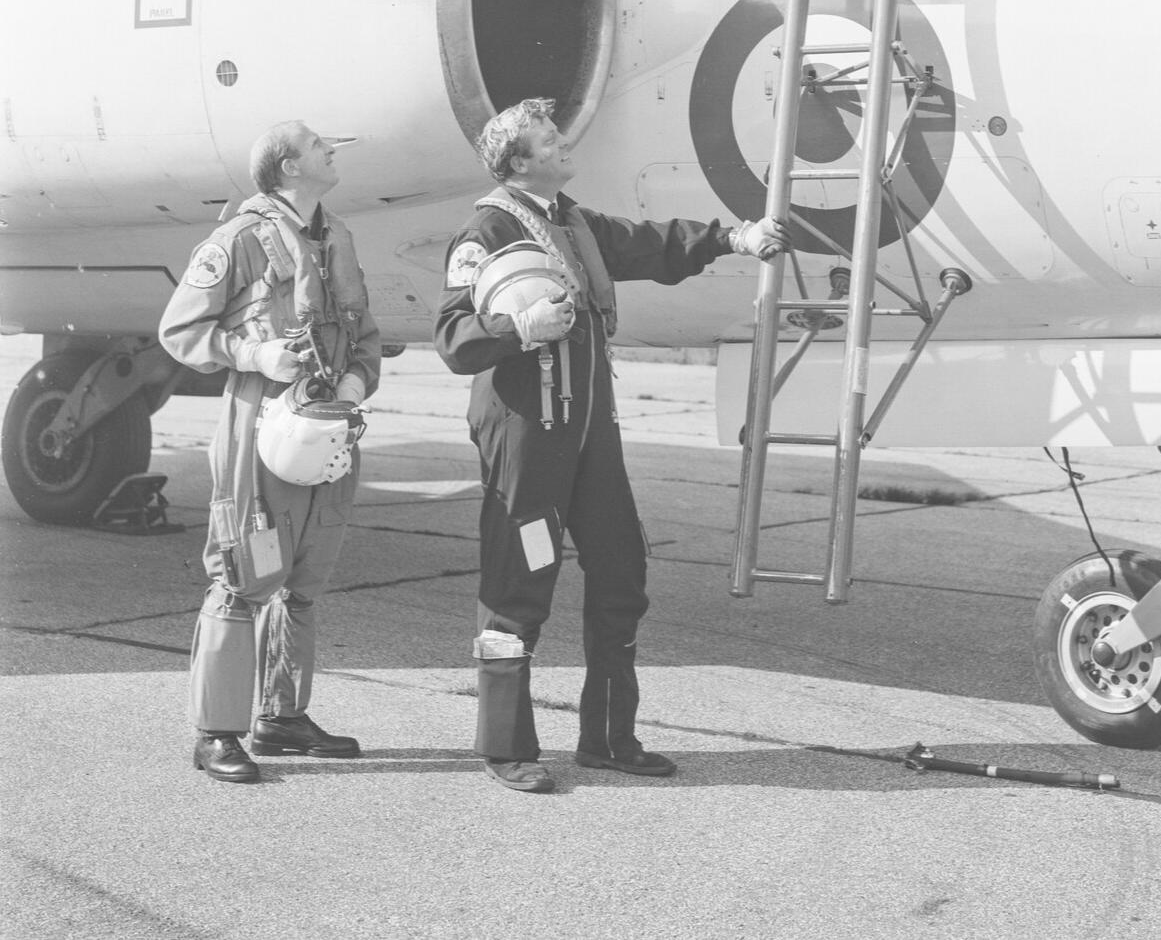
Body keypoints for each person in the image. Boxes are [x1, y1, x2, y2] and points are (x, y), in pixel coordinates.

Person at [434, 96, 788, 794]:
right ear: (518, 162)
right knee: (518, 585)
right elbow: (453, 336)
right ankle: (506, 746)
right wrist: (520, 328)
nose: (566, 145)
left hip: (591, 432)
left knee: (621, 573)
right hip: (528, 435)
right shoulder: (487, 229)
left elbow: (652, 243)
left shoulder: (575, 222)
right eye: (550, 139)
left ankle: (607, 737)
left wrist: (736, 238)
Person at [159, 123, 381, 784]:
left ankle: (282, 716)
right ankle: (216, 731)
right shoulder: (239, 241)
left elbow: (363, 333)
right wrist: (256, 354)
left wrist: (356, 378)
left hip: (329, 426)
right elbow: (180, 328)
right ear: (286, 166)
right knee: (244, 573)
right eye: (317, 145)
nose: (331, 148)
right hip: (261, 428)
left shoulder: (335, 238)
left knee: (305, 576)